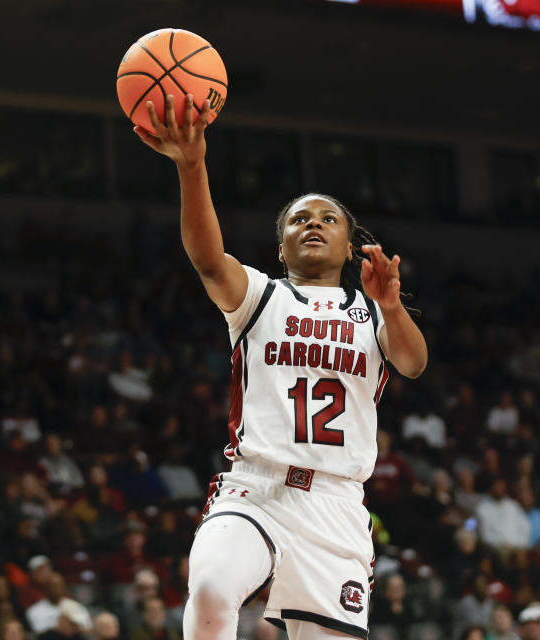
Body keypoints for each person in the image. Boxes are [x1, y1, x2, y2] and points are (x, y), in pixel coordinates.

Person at [133, 94, 427, 640]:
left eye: (328, 218)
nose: (313, 224)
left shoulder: (371, 311)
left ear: (348, 244)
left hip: (336, 505)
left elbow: (412, 363)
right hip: (256, 487)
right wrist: (192, 165)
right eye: (299, 219)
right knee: (214, 588)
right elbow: (206, 259)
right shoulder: (261, 297)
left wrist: (390, 304)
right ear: (281, 246)